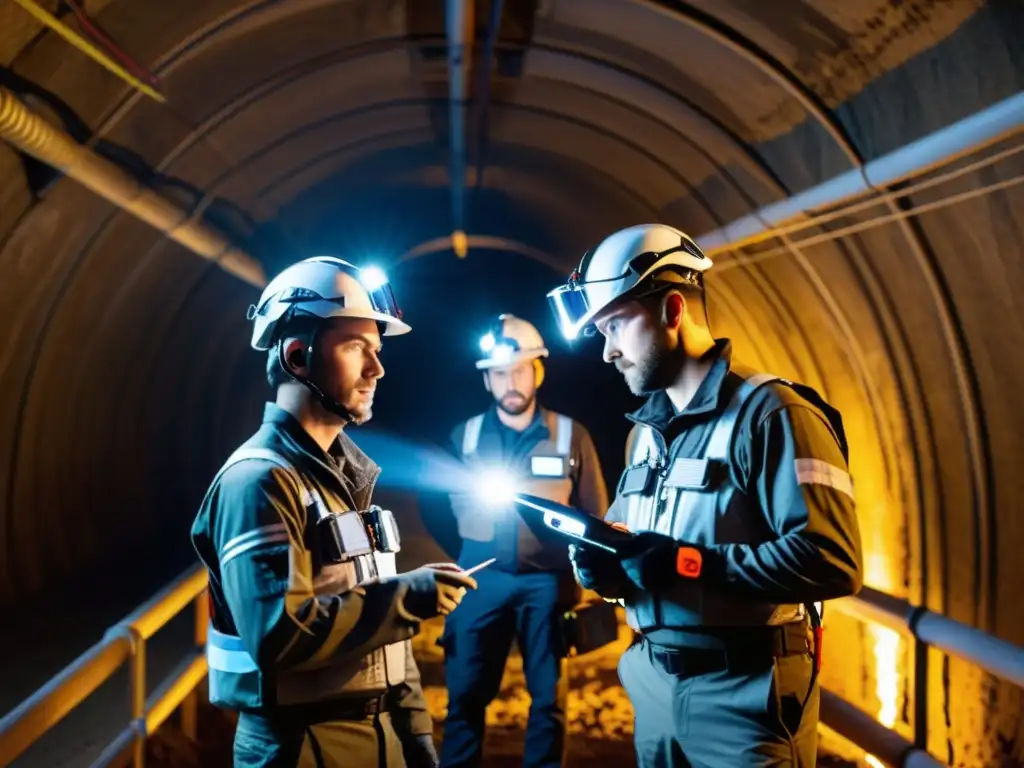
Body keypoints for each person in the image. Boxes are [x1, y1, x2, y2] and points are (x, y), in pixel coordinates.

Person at [546, 224, 864, 767]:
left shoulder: (773, 415)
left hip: (744, 698)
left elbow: (832, 560)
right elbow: (638, 552)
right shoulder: (644, 435)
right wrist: (606, 568)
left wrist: (685, 564)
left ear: (673, 310)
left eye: (616, 326)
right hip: (654, 691)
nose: (607, 353)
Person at [190, 256, 479, 768]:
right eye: (356, 348)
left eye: (378, 350)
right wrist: (412, 595)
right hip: (302, 747)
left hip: (379, 734)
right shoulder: (259, 482)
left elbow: (384, 637)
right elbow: (280, 636)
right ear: (298, 357)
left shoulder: (345, 480)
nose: (377, 368)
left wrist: (415, 737)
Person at [433, 314, 609, 768]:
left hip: (547, 584)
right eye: (498, 373)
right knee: (465, 697)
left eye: (519, 370)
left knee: (548, 701)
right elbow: (433, 508)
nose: (509, 381)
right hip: (479, 581)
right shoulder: (464, 437)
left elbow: (595, 515)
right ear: (487, 379)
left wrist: (578, 577)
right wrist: (470, 551)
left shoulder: (571, 436)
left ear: (538, 371)